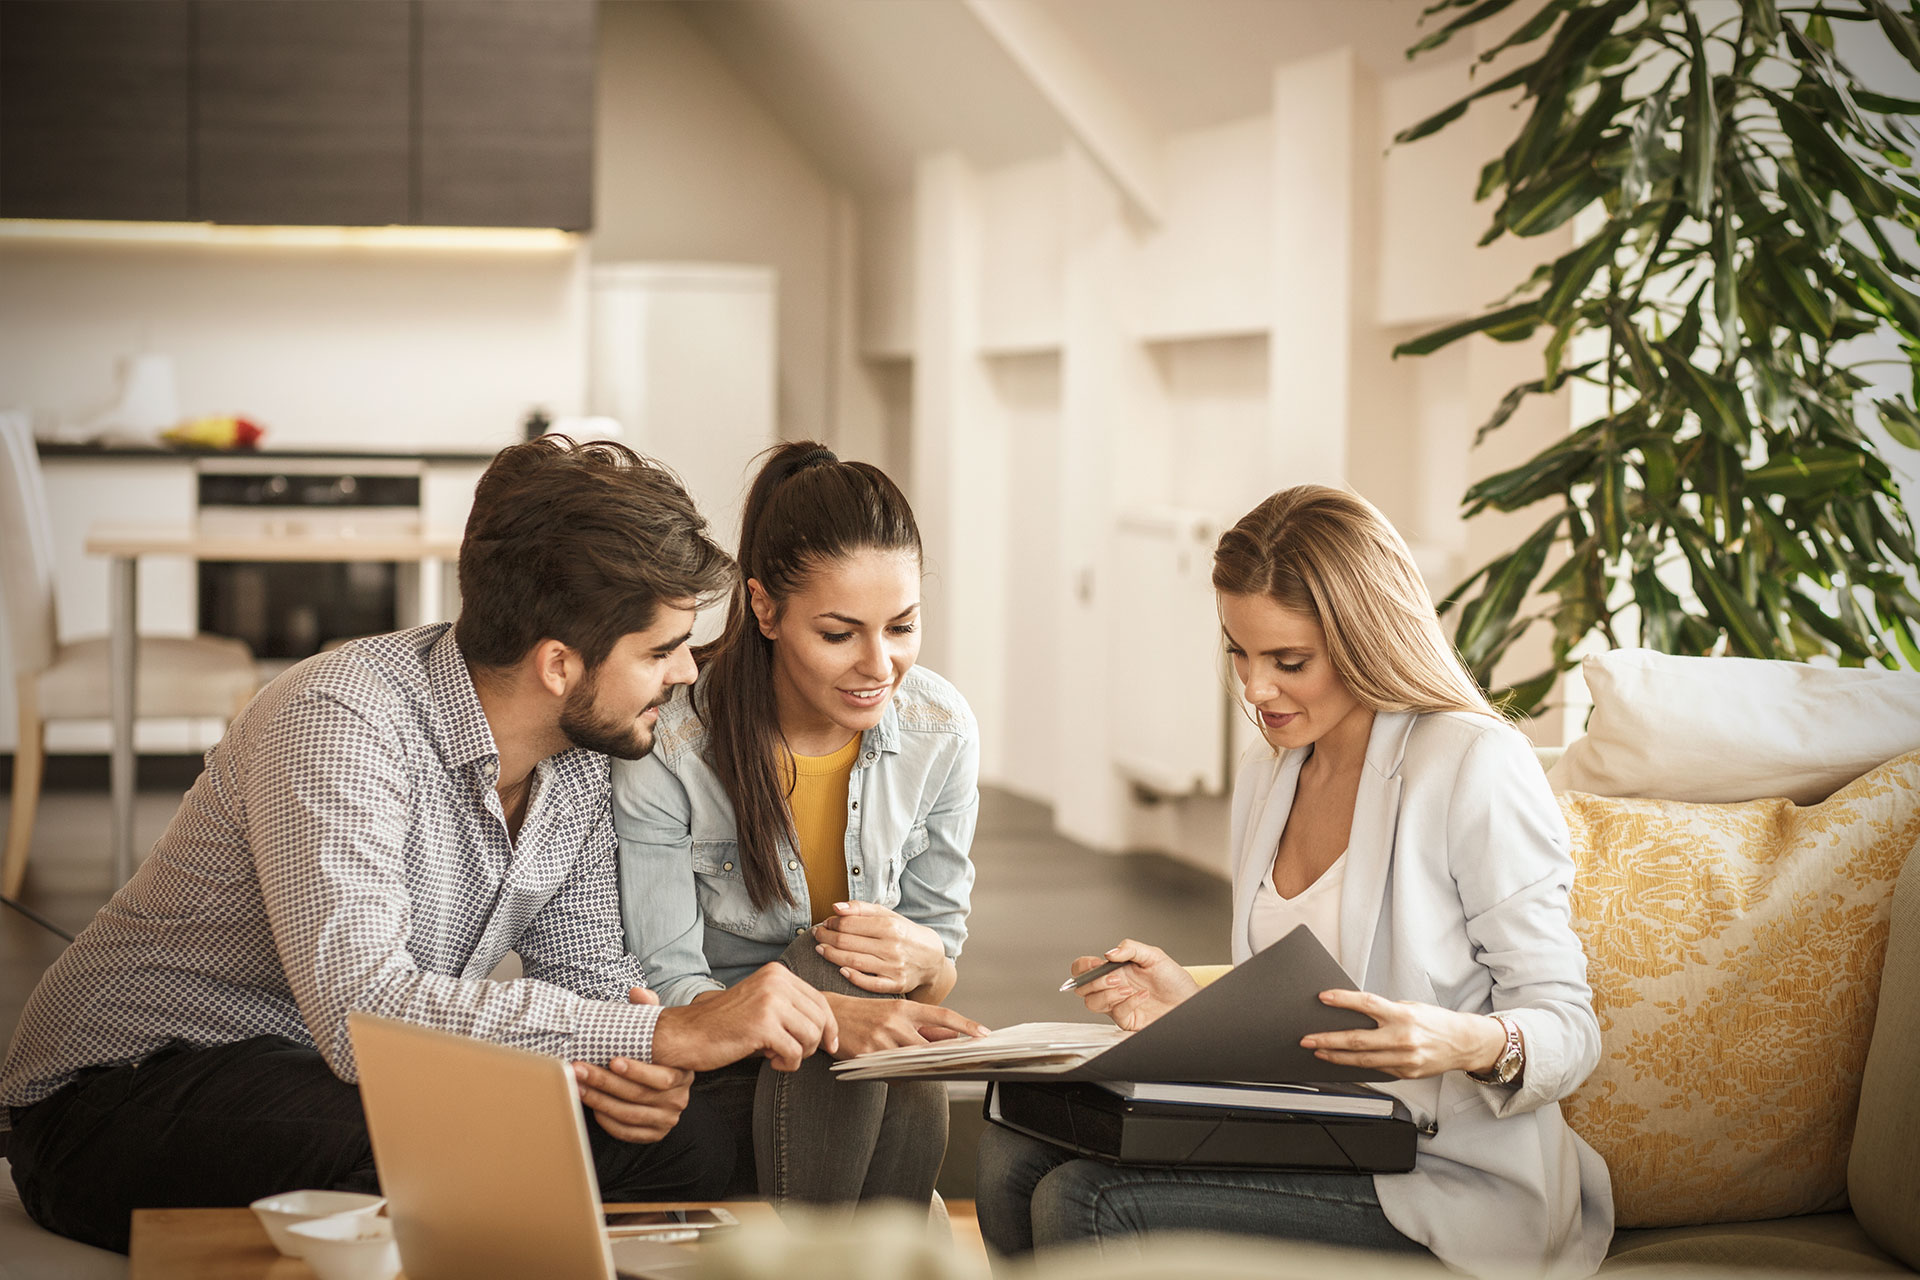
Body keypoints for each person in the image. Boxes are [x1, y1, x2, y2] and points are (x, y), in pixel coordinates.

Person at [1, 437, 843, 1253]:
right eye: (661, 650)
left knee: (685, 1144)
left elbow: (589, 983)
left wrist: (635, 1071)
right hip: (120, 1094)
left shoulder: (584, 758)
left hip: (336, 1078)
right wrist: (663, 1038)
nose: (688, 673)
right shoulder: (340, 720)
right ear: (558, 664)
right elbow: (359, 1012)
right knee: (440, 1138)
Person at [977, 485, 1613, 1277]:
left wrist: (1462, 1041)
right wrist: (1192, 1003)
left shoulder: (1472, 764)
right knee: (1013, 1155)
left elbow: (1570, 1030)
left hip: (1445, 1177)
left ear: (1366, 639)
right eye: (1238, 651)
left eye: (1289, 661)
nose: (1253, 689)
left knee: (1087, 1200)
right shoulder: (1271, 771)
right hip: (1315, 1138)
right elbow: (1306, 1009)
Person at [613, 442, 986, 1215]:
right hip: (724, 1072)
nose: (879, 664)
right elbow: (669, 985)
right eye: (840, 633)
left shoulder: (939, 728)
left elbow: (937, 969)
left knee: (878, 1002)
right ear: (764, 608)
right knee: (825, 967)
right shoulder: (675, 743)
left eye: (903, 627)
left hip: (864, 1081)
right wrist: (830, 1013)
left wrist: (923, 961)